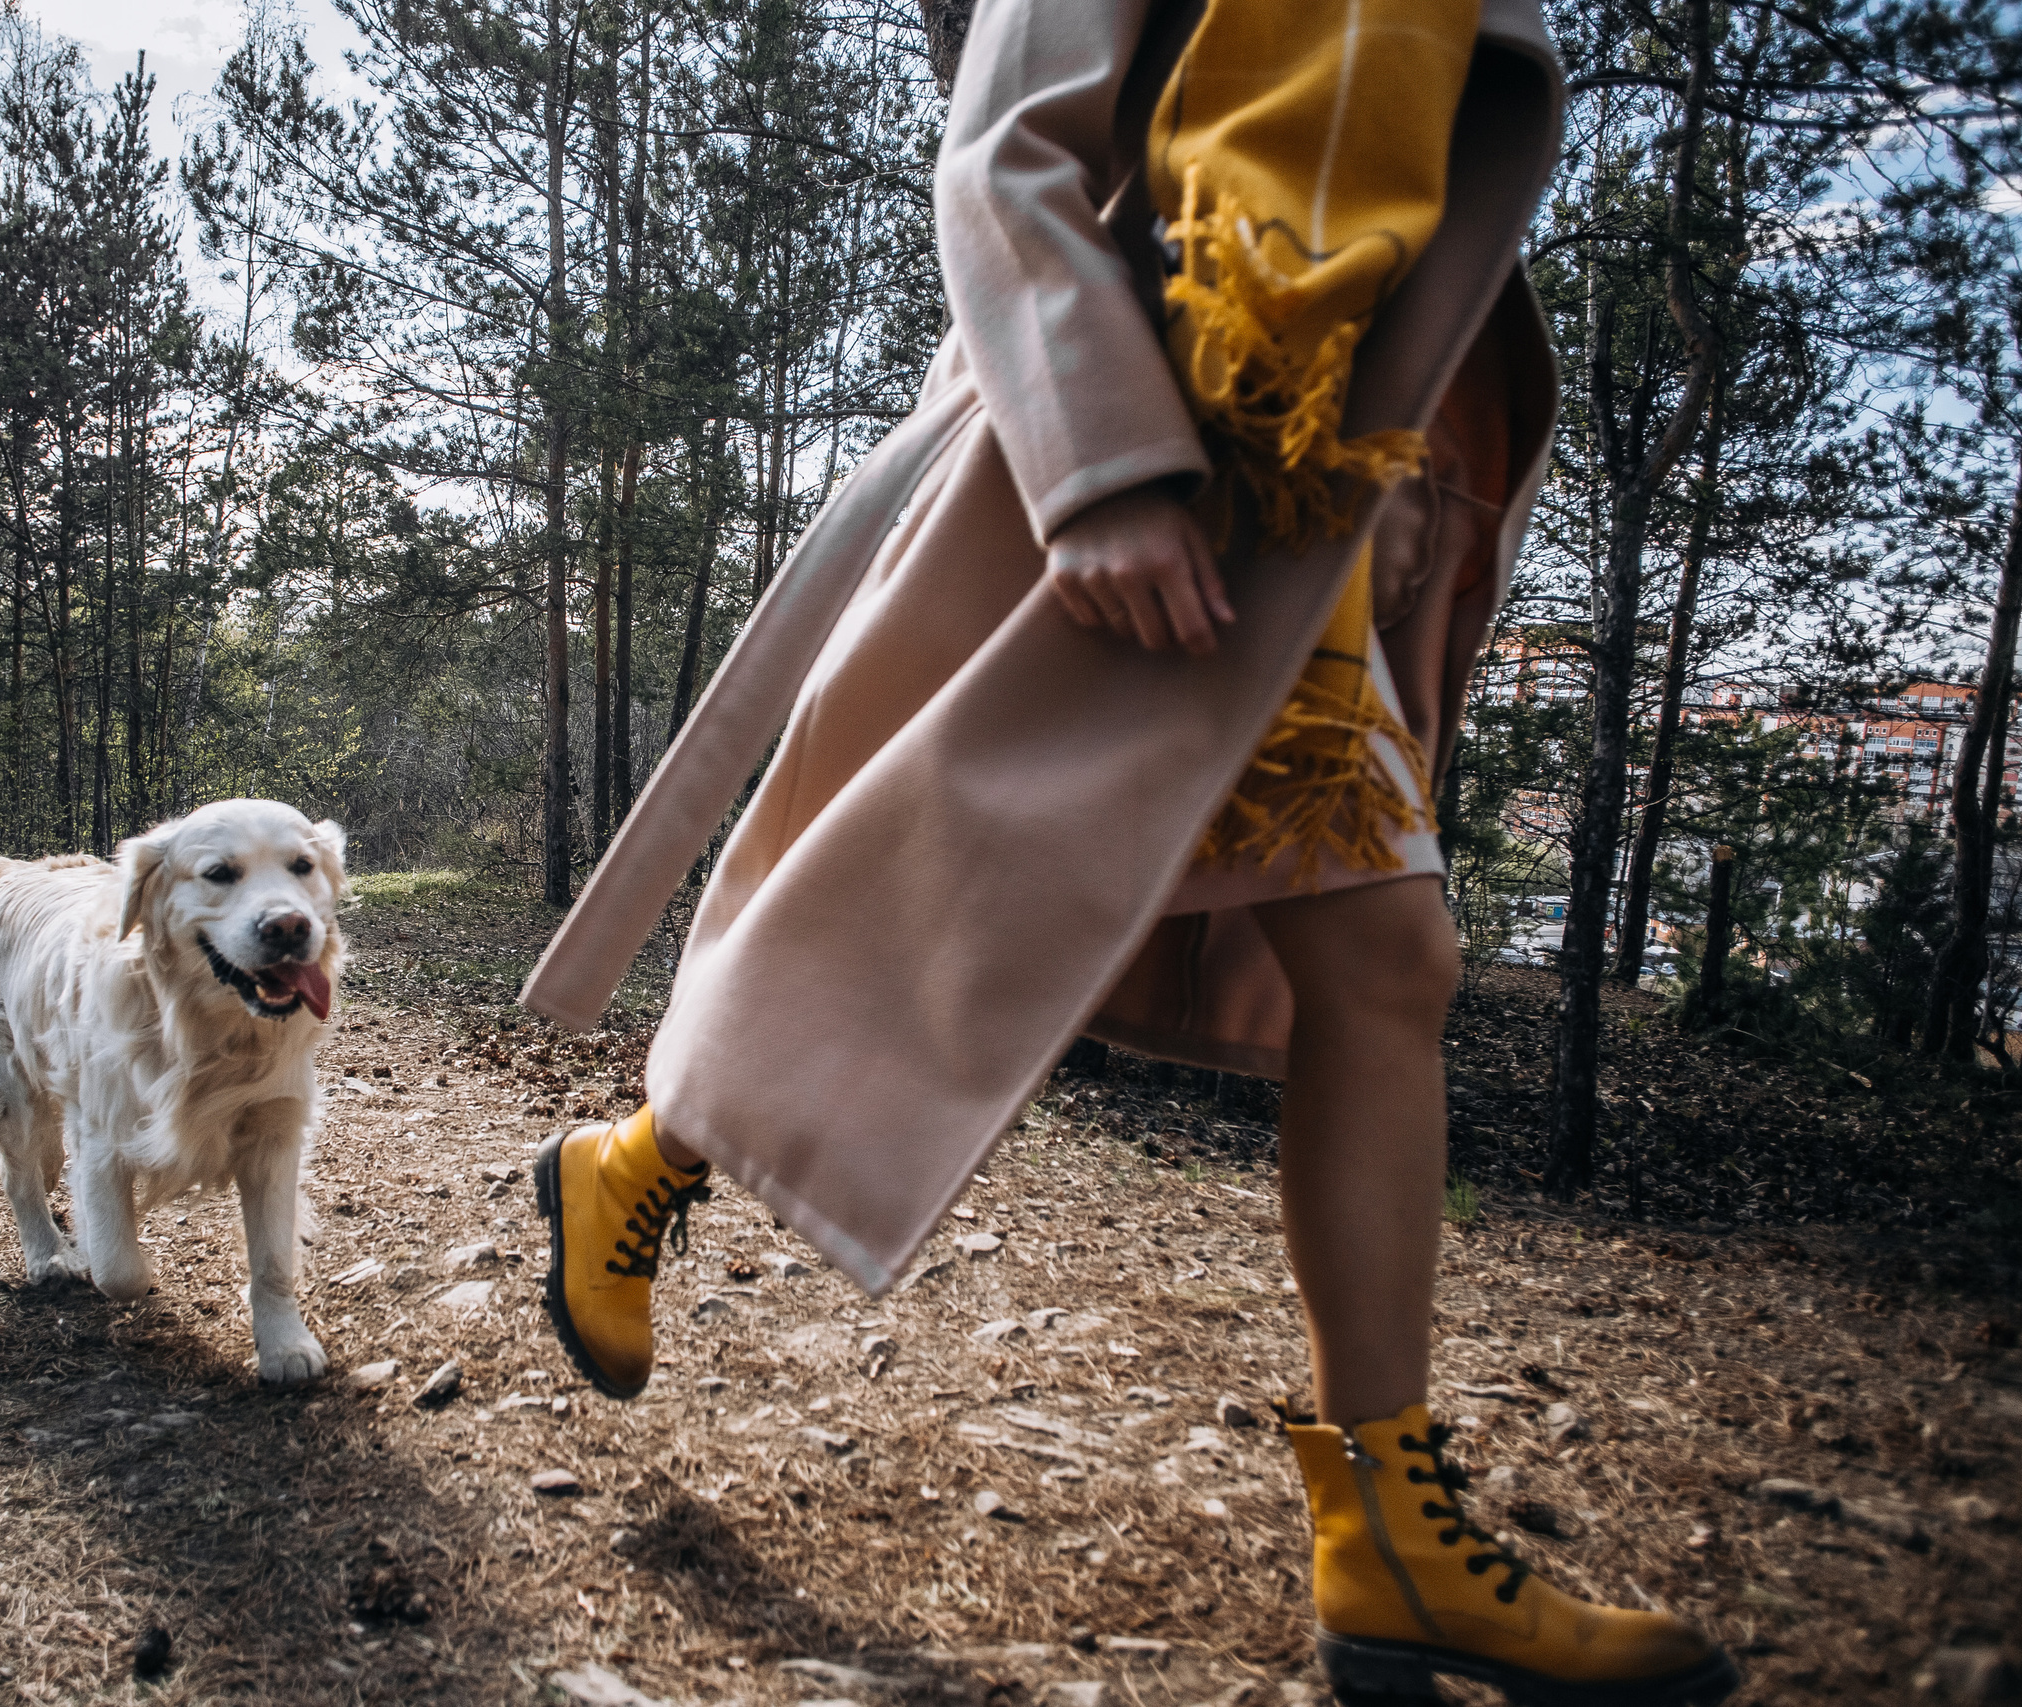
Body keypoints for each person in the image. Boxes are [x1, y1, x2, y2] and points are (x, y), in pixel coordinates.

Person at [520, 1, 1739, 1702]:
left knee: (1376, 962)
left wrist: (1398, 465)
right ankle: (638, 1164)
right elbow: (1006, 142)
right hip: (1128, 455)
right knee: (957, 903)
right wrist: (1097, 465)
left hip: (1305, 493)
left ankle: (1385, 1534)